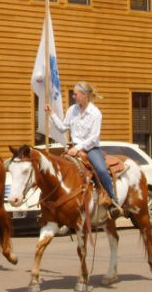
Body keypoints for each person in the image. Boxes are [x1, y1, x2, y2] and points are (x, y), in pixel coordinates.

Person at [45, 81, 123, 215]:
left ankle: (112, 201)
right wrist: (52, 114)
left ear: (84, 95)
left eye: (75, 94)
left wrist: (79, 148)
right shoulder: (72, 110)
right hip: (74, 148)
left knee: (102, 171)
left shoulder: (95, 113)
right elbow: (63, 128)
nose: (73, 97)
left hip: (90, 149)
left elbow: (93, 137)